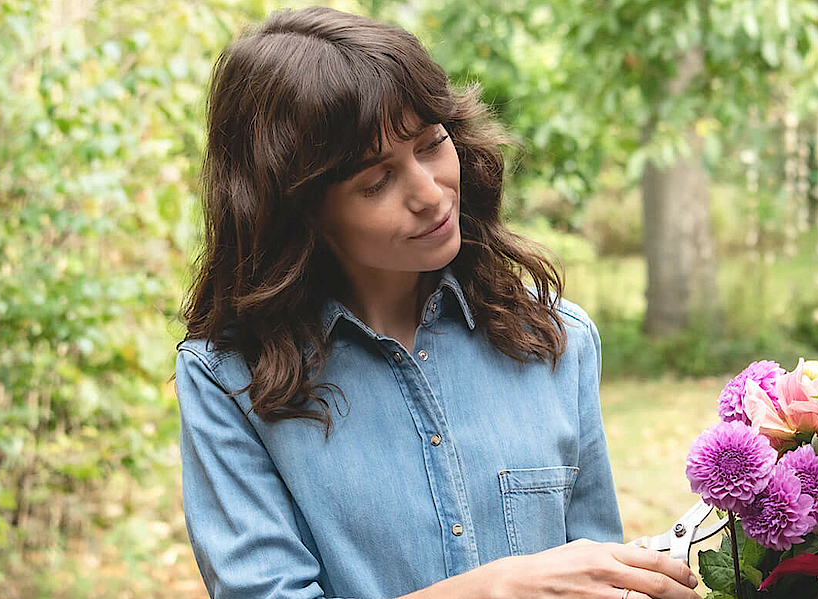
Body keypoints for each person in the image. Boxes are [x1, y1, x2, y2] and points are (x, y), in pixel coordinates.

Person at [175, 7, 701, 599]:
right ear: (299, 213)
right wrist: (489, 590)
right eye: (376, 182)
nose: (430, 195)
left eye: (431, 145)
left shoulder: (557, 338)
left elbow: (597, 579)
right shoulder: (229, 380)